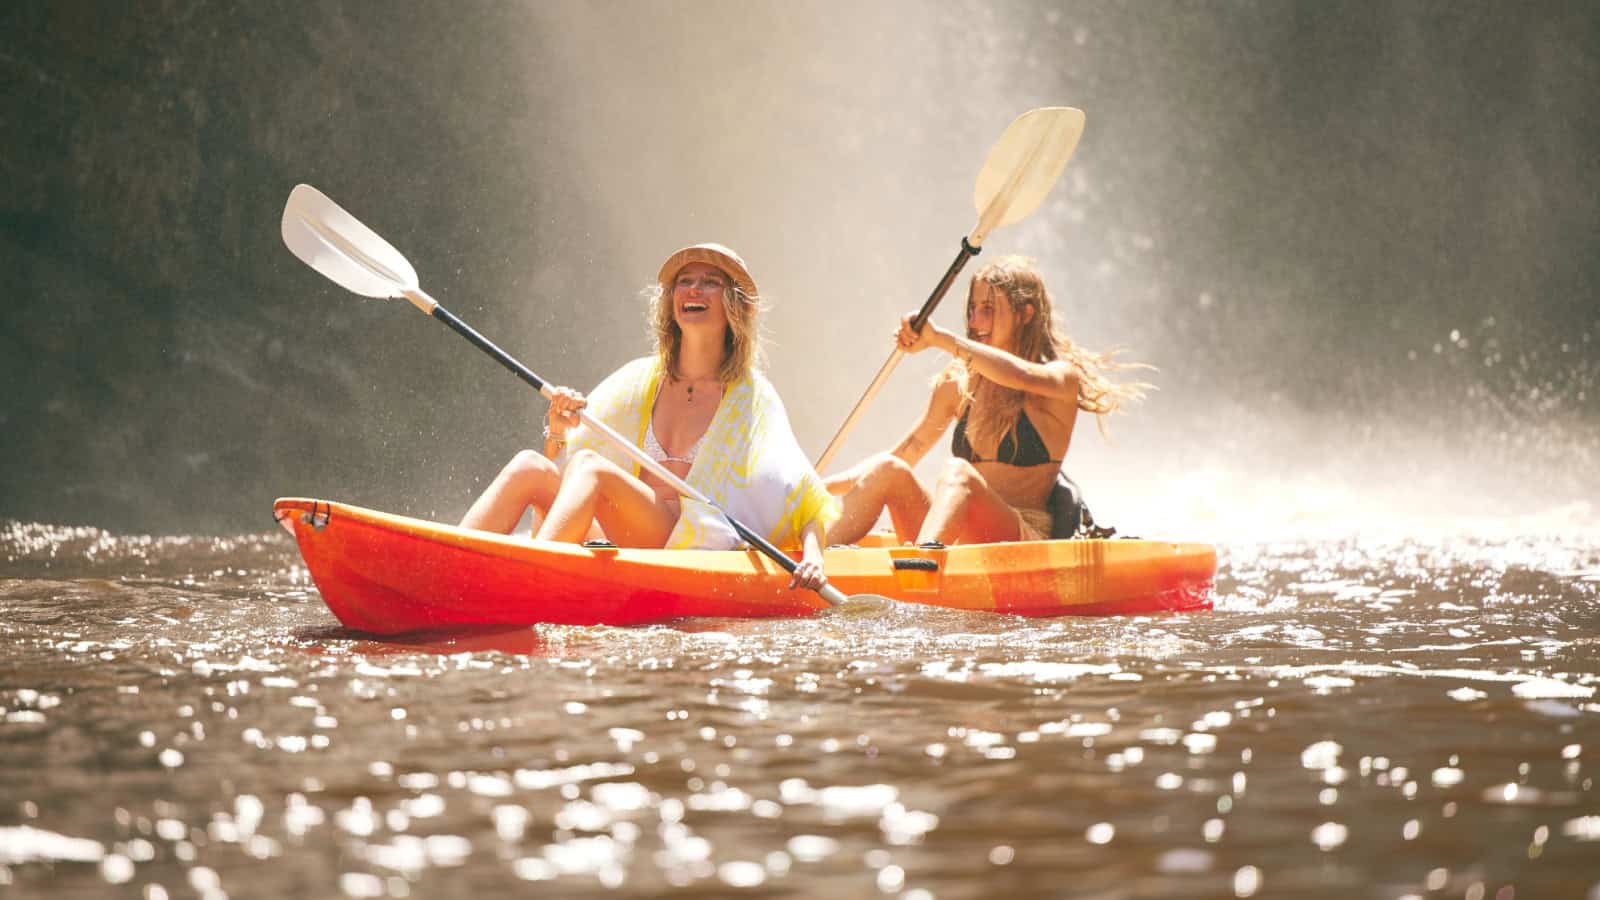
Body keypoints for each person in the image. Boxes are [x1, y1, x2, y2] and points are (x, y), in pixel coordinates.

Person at [460, 243, 837, 591]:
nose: (693, 290)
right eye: (684, 282)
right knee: (531, 465)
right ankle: (450, 563)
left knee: (591, 466)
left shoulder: (751, 397)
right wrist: (558, 431)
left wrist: (814, 560)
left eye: (710, 283)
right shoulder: (638, 379)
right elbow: (561, 470)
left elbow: (804, 498)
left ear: (734, 305)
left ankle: (529, 582)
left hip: (683, 543)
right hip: (618, 532)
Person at [825, 255, 1150, 546]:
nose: (975, 321)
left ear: (1025, 314)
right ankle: (810, 558)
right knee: (888, 469)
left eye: (988, 310)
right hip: (954, 541)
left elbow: (1019, 375)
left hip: (1021, 537)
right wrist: (818, 486)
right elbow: (909, 451)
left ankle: (923, 564)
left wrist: (940, 340)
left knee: (958, 472)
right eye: (972, 309)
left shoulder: (1059, 380)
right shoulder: (958, 383)